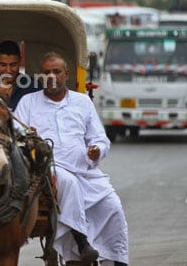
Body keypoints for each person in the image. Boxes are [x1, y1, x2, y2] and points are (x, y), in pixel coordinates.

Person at [13, 52, 129, 266]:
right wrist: (28, 138)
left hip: (86, 170)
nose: (51, 76)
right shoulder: (28, 102)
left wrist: (96, 150)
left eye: (56, 71)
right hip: (48, 170)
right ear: (40, 76)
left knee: (112, 204)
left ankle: (115, 259)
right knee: (69, 183)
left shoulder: (82, 102)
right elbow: (15, 133)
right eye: (46, 72)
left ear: (66, 74)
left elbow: (100, 138)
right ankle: (82, 245)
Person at [0, 40, 42, 110]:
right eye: (3, 65)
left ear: (20, 61)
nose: (8, 70)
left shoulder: (33, 86)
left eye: (13, 64)